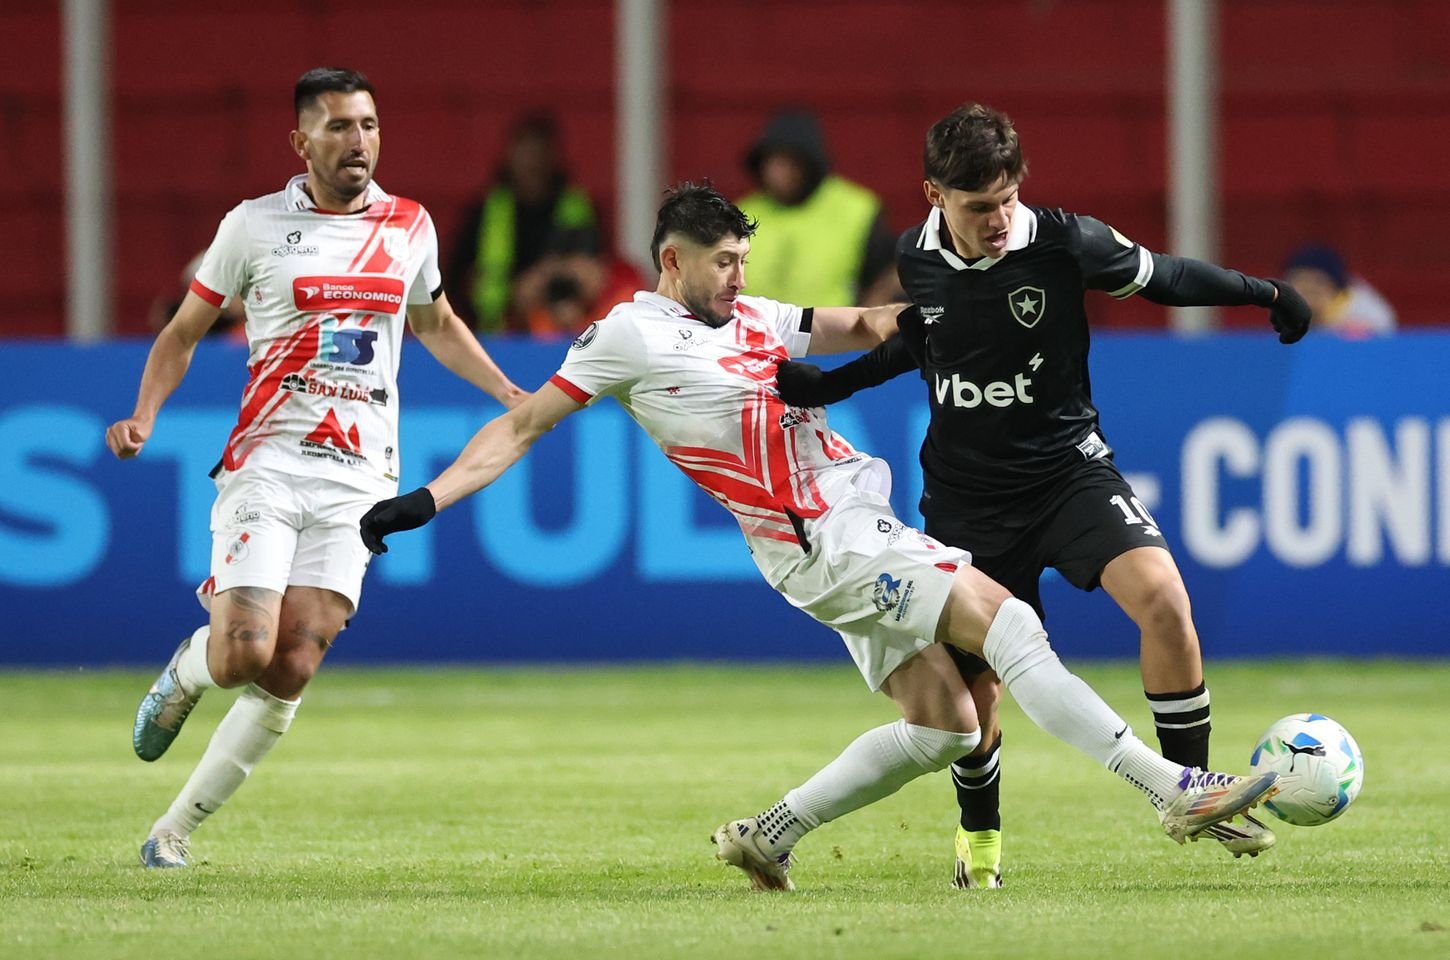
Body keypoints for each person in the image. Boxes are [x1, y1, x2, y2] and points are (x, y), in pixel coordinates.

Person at [357, 181, 1279, 892]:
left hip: (845, 528)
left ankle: (770, 834)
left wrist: (950, 317)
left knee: (948, 727)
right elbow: (522, 427)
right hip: (823, 542)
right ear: (670, 263)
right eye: (720, 263)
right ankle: (1173, 789)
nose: (739, 277)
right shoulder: (629, 335)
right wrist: (427, 499)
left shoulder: (755, 315)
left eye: (744, 259)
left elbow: (870, 322)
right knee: (1009, 627)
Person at [774, 103, 1313, 888]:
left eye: (1005, 198)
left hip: (1067, 472)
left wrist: (1265, 293)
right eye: (978, 207)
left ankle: (1194, 794)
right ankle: (981, 848)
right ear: (934, 195)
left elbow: (1164, 276)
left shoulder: (1065, 241)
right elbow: (921, 347)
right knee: (975, 702)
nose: (997, 220)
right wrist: (835, 381)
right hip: (966, 498)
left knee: (1163, 598)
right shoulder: (915, 258)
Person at [105, 67, 528, 869]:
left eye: (367, 124)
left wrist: (508, 391)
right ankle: (187, 674)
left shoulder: (410, 225)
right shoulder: (253, 226)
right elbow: (184, 333)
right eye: (338, 126)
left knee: (295, 658)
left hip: (360, 478)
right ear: (302, 142)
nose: (357, 141)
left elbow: (436, 323)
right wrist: (145, 416)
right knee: (241, 655)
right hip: (268, 461)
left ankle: (173, 832)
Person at [444, 111, 600, 333]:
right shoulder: (486, 212)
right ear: (510, 157)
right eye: (526, 154)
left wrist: (549, 277)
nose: (533, 163)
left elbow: (597, 271)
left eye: (539, 154)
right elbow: (453, 281)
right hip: (495, 335)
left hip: (565, 330)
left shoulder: (577, 207)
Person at [737, 109, 900, 308]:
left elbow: (891, 271)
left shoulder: (856, 209)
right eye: (772, 163)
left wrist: (866, 320)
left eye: (790, 163)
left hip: (832, 334)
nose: (778, 173)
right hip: (753, 334)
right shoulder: (742, 213)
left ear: (810, 163)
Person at [1282, 243, 1396, 338]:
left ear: (1334, 286)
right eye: (1300, 283)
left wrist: (1325, 318)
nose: (1307, 290)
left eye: (1317, 283)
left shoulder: (1364, 311)